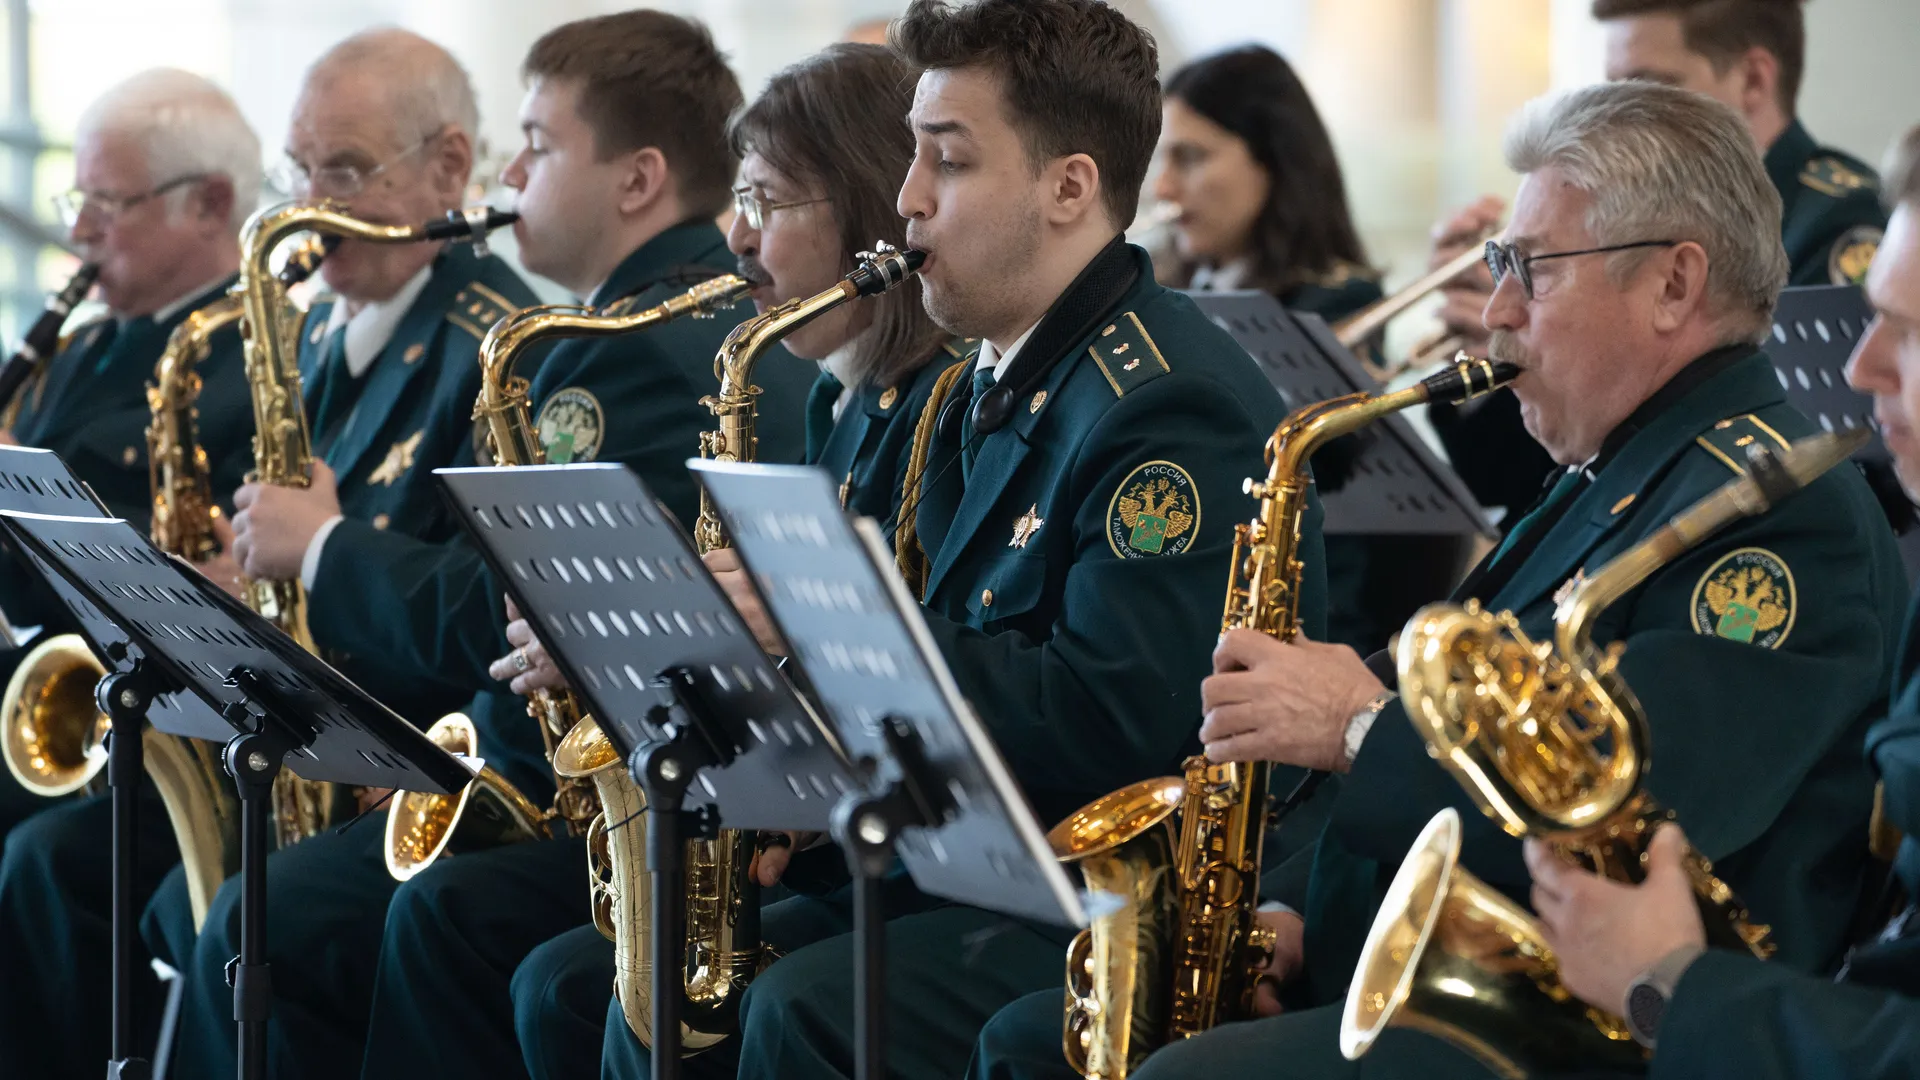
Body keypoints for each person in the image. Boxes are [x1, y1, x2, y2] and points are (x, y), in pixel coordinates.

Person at [975, 79, 1906, 1080]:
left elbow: (1628, 833)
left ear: (1675, 285)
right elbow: (1452, 720)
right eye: (1499, 264)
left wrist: (1356, 727)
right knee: (1034, 1042)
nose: (1496, 311)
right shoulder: (1614, 472)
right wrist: (1289, 911)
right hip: (1458, 975)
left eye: (1531, 271)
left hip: (1600, 1033)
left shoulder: (1775, 517)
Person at [673, 2, 1317, 1077]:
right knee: (657, 961)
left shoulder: (1165, 404)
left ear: (1069, 186)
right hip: (971, 858)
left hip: (1100, 902)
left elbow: (1118, 726)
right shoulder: (993, 372)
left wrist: (823, 629)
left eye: (947, 161)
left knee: (800, 1007)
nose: (907, 198)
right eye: (913, 156)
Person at [337, 14, 814, 1080]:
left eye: (539, 143)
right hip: (629, 791)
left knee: (393, 923)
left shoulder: (632, 351)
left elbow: (519, 609)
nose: (511, 171)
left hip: (663, 809)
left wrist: (323, 550)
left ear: (638, 179)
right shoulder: (610, 333)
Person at [498, 40, 970, 1080]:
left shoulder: (935, 408)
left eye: (768, 200)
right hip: (824, 839)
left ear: (863, 214)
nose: (735, 236)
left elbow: (922, 675)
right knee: (565, 985)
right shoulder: (844, 401)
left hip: (916, 872)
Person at [133, 29, 543, 1080]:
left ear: (451, 167)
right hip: (317, 747)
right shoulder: (317, 334)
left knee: (251, 926)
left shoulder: (501, 344)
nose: (310, 201)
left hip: (421, 770)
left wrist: (319, 552)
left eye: (347, 169)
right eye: (301, 169)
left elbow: (494, 612)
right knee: (183, 909)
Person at [1527, 121, 1920, 1080]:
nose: (1861, 370)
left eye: (1908, 330)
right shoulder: (1602, 464)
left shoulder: (1780, 509)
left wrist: (1670, 984)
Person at [0, 67, 261, 1079]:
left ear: (211, 204)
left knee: (44, 866)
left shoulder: (242, 355)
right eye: (81, 203)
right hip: (70, 689)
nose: (79, 237)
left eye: (107, 207)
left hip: (166, 720)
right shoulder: (89, 346)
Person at [1430, 0, 1884, 527]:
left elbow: (1800, 458)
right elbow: (1503, 477)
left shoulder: (1835, 223)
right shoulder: (1598, 215)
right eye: (1612, 89)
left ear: (1755, 81)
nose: (1621, 115)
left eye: (1648, 87)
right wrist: (1515, 338)